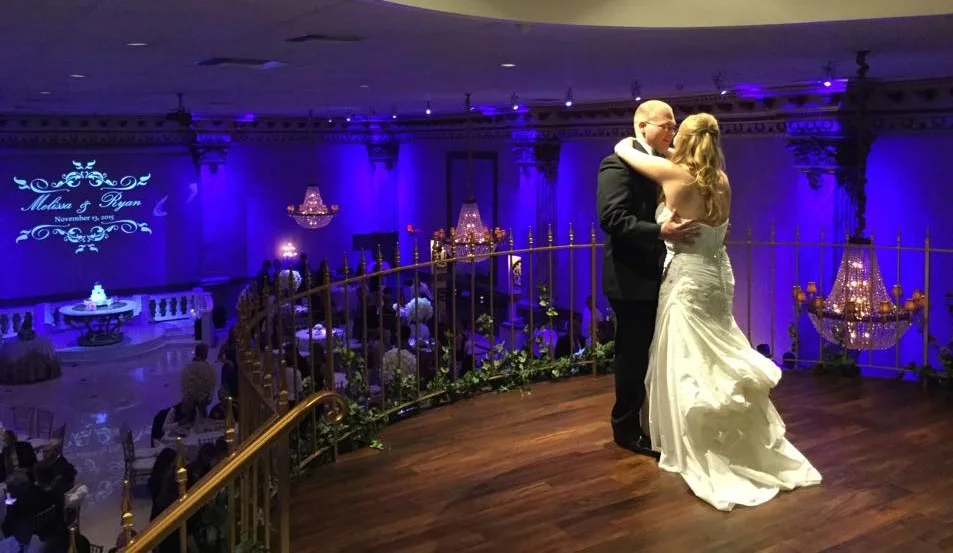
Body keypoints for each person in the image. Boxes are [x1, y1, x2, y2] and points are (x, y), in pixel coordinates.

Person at [611, 110, 822, 510]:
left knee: (687, 357)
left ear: (686, 142)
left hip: (688, 277)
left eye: (677, 134)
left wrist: (642, 135)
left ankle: (692, 436)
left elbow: (625, 149)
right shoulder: (722, 181)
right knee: (717, 349)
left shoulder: (674, 175)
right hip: (719, 275)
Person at [597, 99, 699, 457]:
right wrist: (660, 232)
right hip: (631, 277)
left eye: (674, 126)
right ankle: (625, 427)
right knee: (634, 355)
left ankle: (654, 421)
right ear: (642, 126)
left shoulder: (665, 161)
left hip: (664, 274)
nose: (671, 131)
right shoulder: (616, 163)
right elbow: (612, 218)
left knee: (658, 352)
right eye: (665, 125)